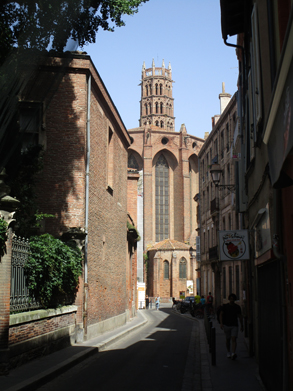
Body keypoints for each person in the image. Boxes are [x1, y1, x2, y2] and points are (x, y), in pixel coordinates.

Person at [220, 293, 244, 360]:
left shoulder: (237, 307)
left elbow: (240, 317)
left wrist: (242, 325)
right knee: (228, 339)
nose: (231, 300)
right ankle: (228, 352)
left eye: (233, 299)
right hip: (226, 325)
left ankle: (233, 353)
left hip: (234, 325)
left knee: (234, 339)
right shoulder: (225, 306)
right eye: (230, 299)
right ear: (229, 299)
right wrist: (221, 323)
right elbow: (221, 314)